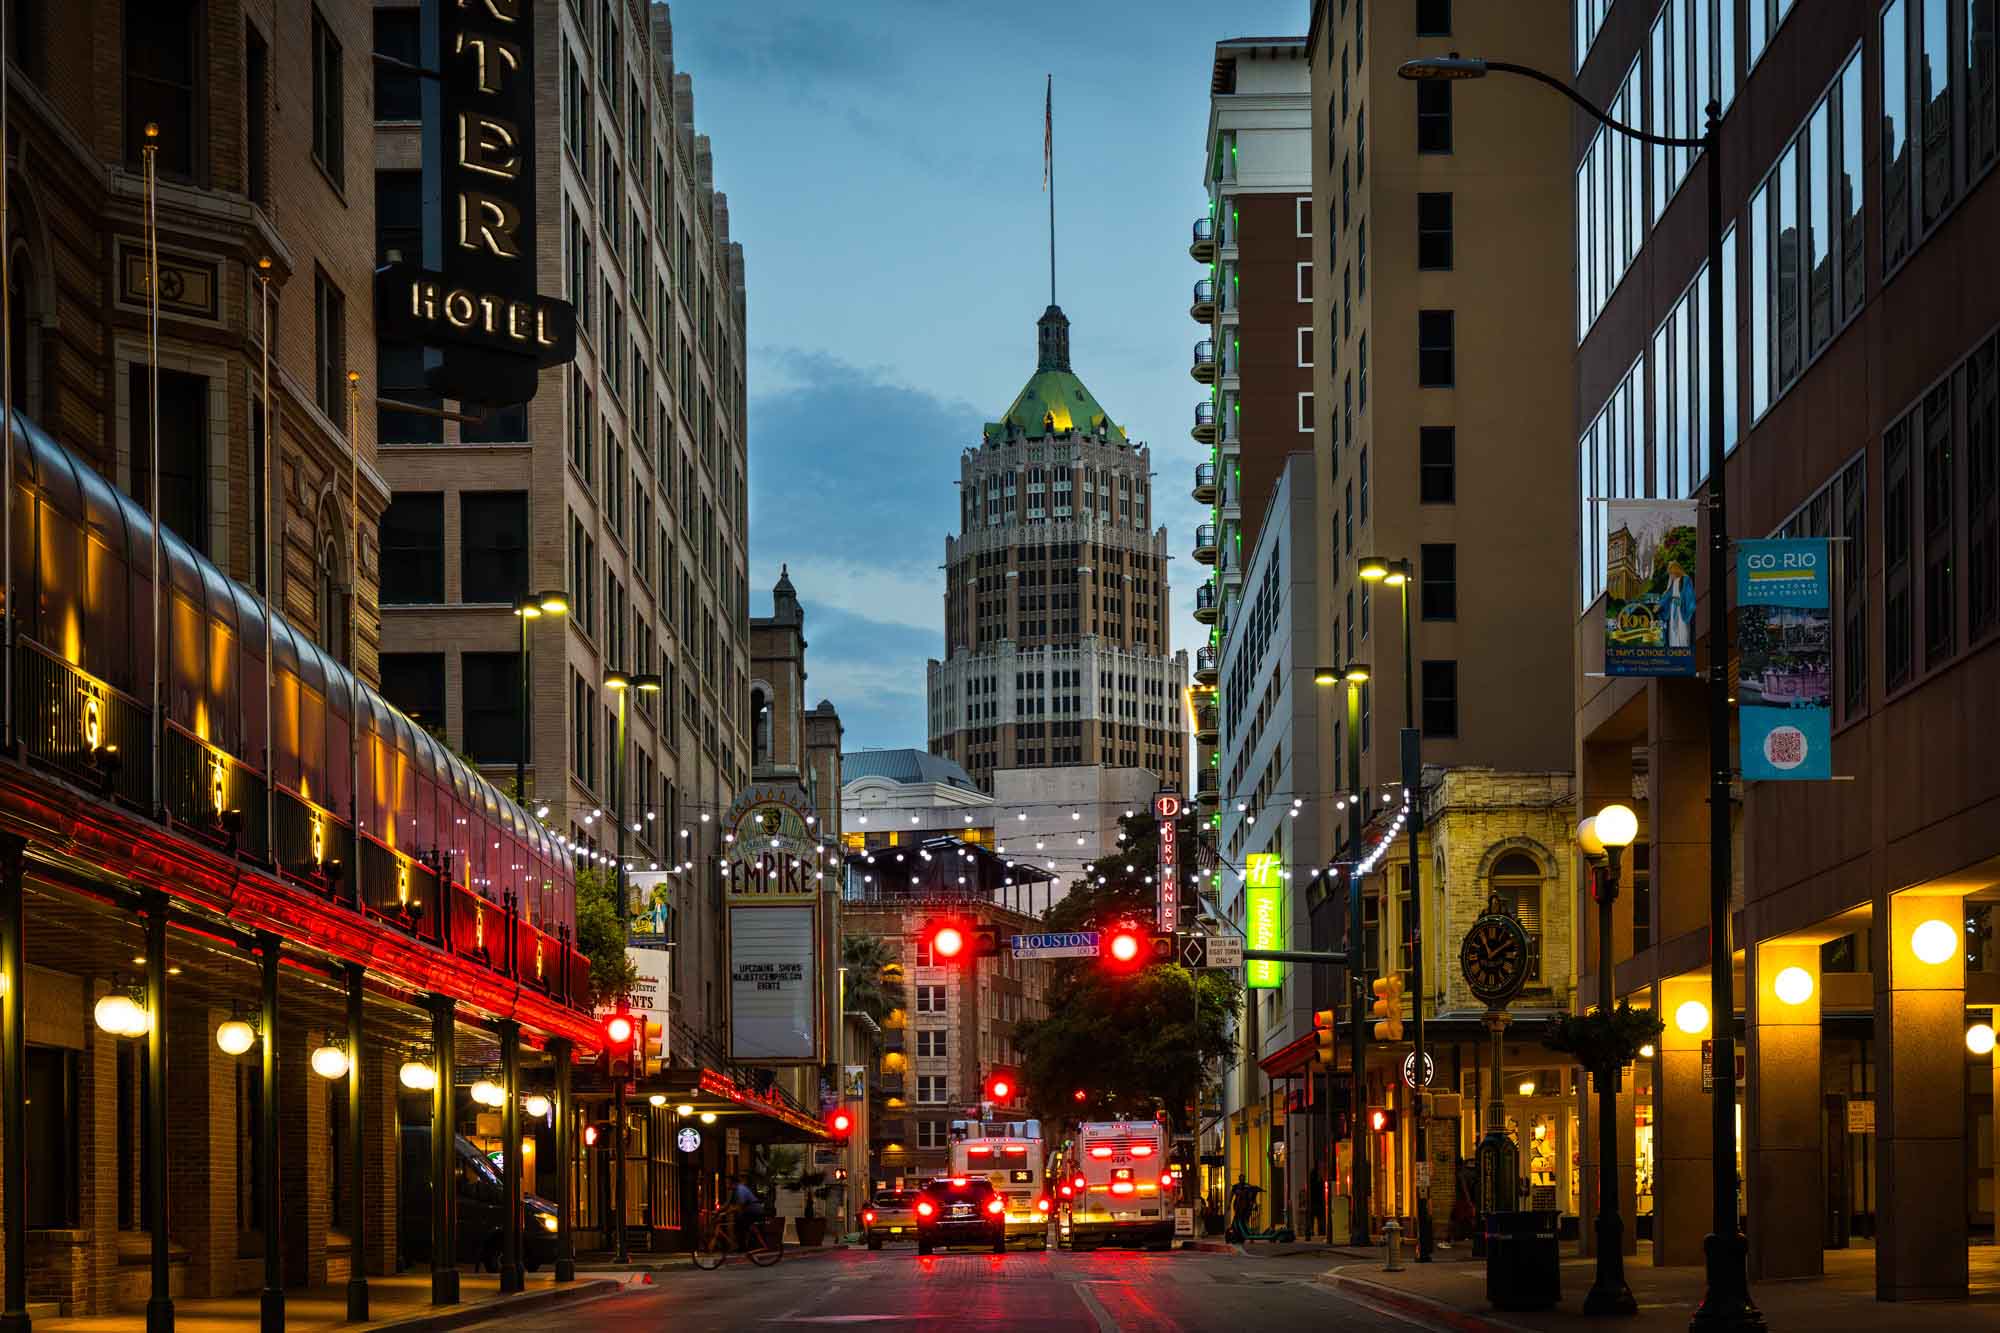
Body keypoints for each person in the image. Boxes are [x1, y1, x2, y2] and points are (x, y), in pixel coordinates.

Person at [726, 1173, 764, 1251]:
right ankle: (743, 1246)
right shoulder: (734, 1191)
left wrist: (727, 1212)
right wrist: (718, 1211)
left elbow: (740, 1205)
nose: (726, 1184)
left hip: (754, 1210)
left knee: (740, 1225)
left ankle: (744, 1248)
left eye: (728, 1182)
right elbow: (727, 1203)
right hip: (748, 1211)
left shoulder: (740, 1189)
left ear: (733, 1183)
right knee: (739, 1223)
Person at [1663, 559, 1695, 650]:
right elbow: (1668, 595)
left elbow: (1689, 595)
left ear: (1676, 569)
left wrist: (1684, 604)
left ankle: (1684, 649)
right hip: (1673, 608)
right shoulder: (1673, 581)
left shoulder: (1686, 579)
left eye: (1671, 572)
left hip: (1682, 608)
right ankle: (1675, 649)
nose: (1670, 575)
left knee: (1682, 630)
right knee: (1673, 631)